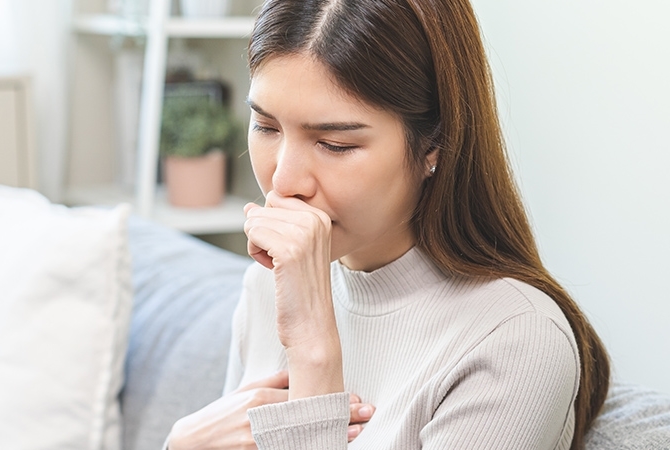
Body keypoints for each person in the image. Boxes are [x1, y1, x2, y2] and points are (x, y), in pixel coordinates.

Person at [167, 0, 610, 449]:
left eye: (334, 143)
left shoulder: (515, 341)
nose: (283, 180)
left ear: (434, 144)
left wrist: (314, 352)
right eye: (266, 126)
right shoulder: (267, 287)